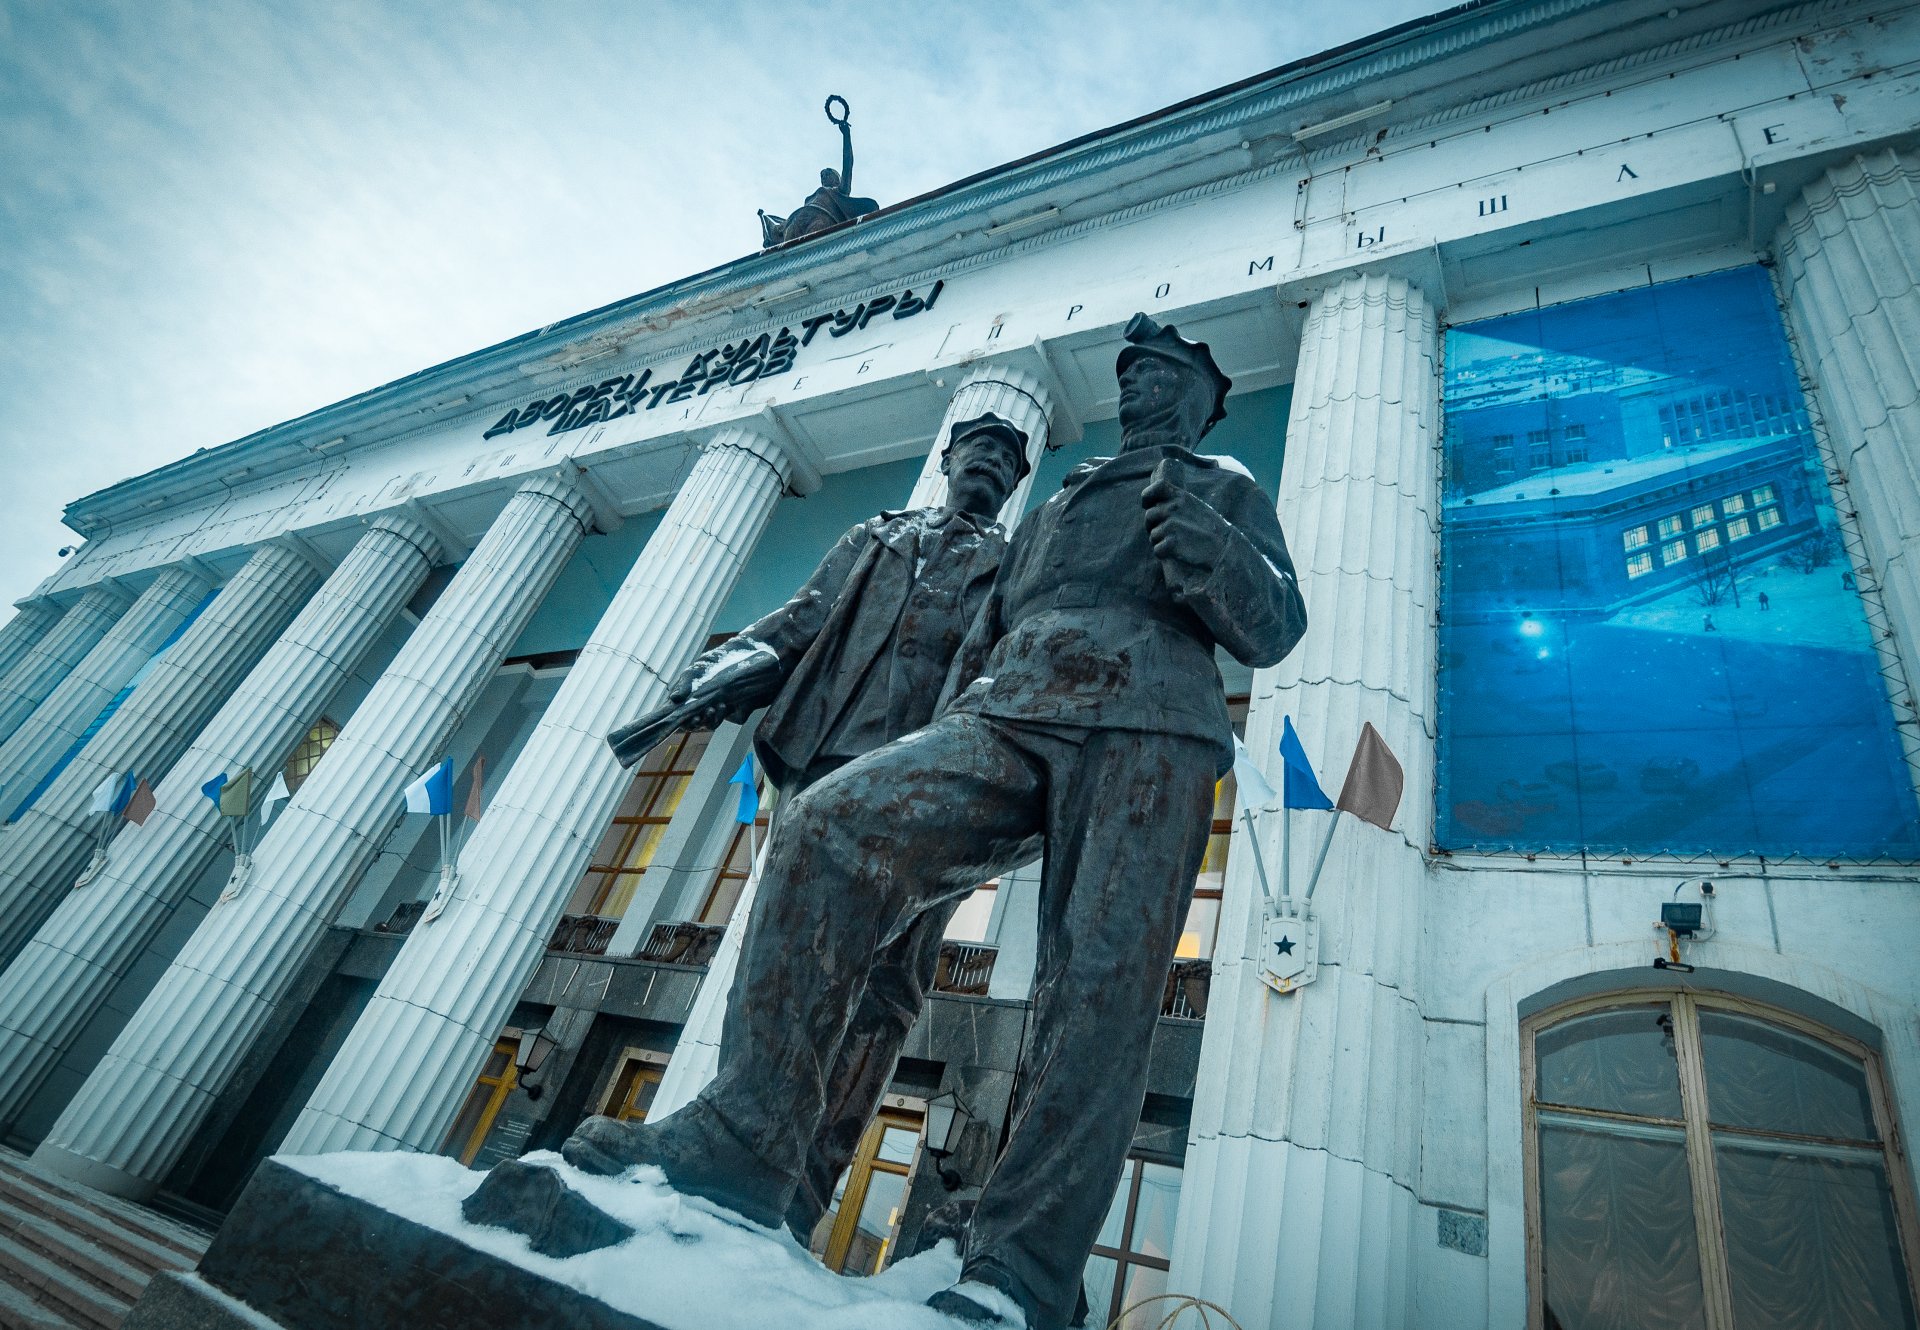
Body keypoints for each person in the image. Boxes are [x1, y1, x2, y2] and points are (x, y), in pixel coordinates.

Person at [563, 314, 1308, 1330]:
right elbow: (980, 642)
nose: (1140, 393)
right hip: (1008, 714)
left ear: (1201, 399)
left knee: (1096, 985)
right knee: (828, 826)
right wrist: (957, 715)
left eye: (1163, 379)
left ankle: (1024, 1262)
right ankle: (746, 1137)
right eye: (1130, 377)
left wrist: (1217, 551)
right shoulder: (1053, 507)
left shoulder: (1224, 484)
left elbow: (1275, 625)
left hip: (1147, 724)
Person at [652, 410, 1029, 1241]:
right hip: (833, 757)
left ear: (1015, 482)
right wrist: (725, 666)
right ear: (950, 459)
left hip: (933, 783)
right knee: (785, 954)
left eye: (1007, 463)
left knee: (888, 981)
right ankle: (741, 1136)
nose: (990, 470)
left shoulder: (1013, 565)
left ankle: (806, 1185)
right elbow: (801, 620)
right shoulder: (879, 536)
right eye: (979, 454)